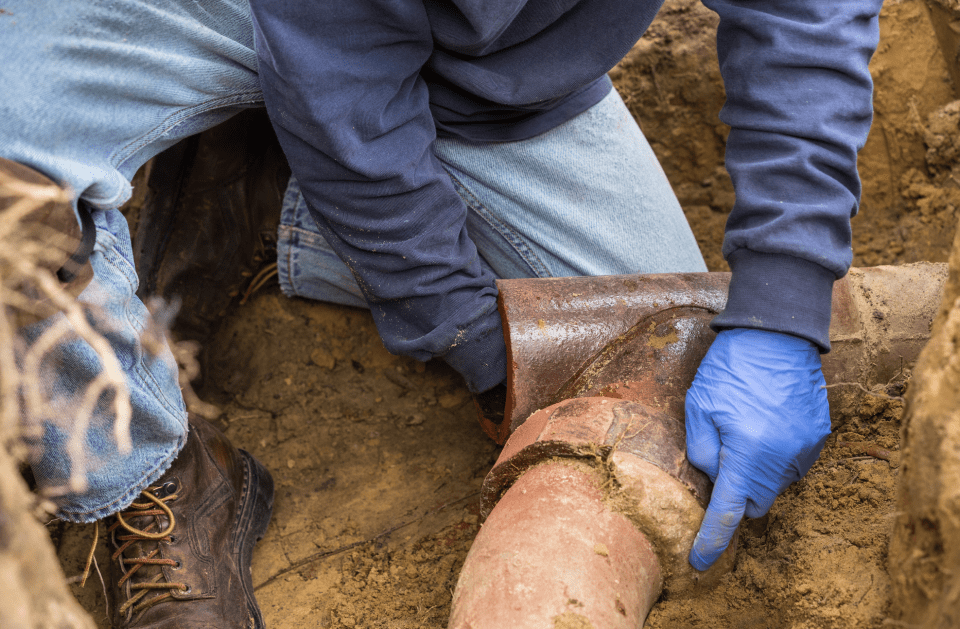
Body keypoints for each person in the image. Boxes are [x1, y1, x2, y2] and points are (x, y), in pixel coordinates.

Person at [0, 0, 882, 625]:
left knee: (657, 361)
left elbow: (807, 14)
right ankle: (152, 473)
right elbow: (345, 97)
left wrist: (783, 305)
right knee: (9, 182)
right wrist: (480, 344)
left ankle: (271, 207)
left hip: (488, 65)